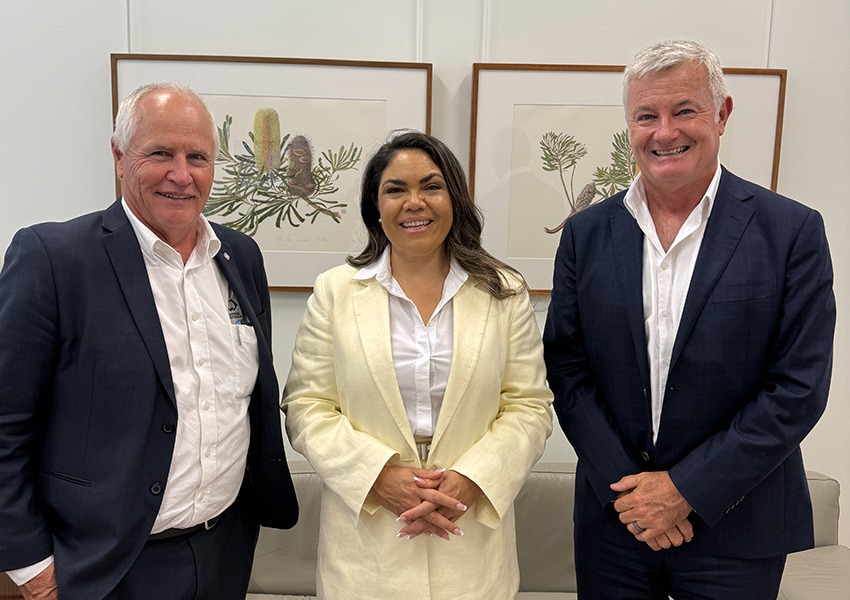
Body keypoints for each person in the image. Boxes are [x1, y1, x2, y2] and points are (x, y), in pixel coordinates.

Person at [543, 39, 836, 599]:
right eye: (646, 116)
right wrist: (633, 496)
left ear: (722, 115)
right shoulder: (587, 233)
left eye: (685, 111)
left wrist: (684, 489)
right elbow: (567, 367)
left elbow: (798, 388)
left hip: (739, 524)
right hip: (615, 524)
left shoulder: (791, 231)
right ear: (630, 125)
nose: (664, 132)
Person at [0, 82, 298, 600]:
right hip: (106, 566)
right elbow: (6, 424)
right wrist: (33, 570)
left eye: (198, 157)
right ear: (119, 157)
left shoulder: (241, 257)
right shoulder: (53, 258)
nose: (181, 175)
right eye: (160, 153)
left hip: (224, 548)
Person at [281, 131, 553, 599]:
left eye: (431, 186)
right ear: (375, 203)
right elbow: (307, 406)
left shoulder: (504, 291)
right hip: (367, 544)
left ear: (455, 198)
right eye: (395, 189)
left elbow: (530, 406)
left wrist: (472, 479)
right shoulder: (335, 290)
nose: (414, 202)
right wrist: (377, 477)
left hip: (469, 535)